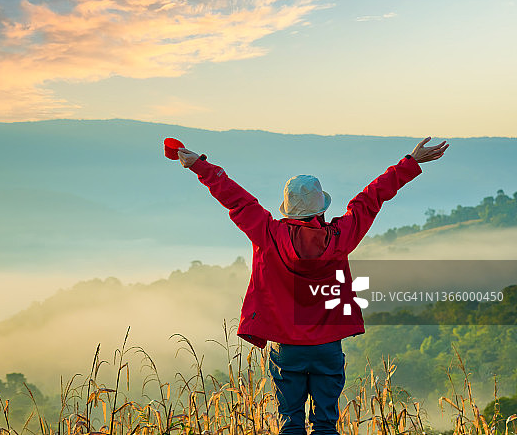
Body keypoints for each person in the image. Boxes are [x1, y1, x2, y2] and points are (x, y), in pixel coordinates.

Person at [175, 137, 448, 435]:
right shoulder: (340, 237)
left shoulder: (268, 234)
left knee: (290, 423)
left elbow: (237, 199)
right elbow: (371, 199)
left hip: (286, 344)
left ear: (288, 210)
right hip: (328, 345)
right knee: (325, 425)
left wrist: (199, 166)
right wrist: (410, 162)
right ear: (321, 209)